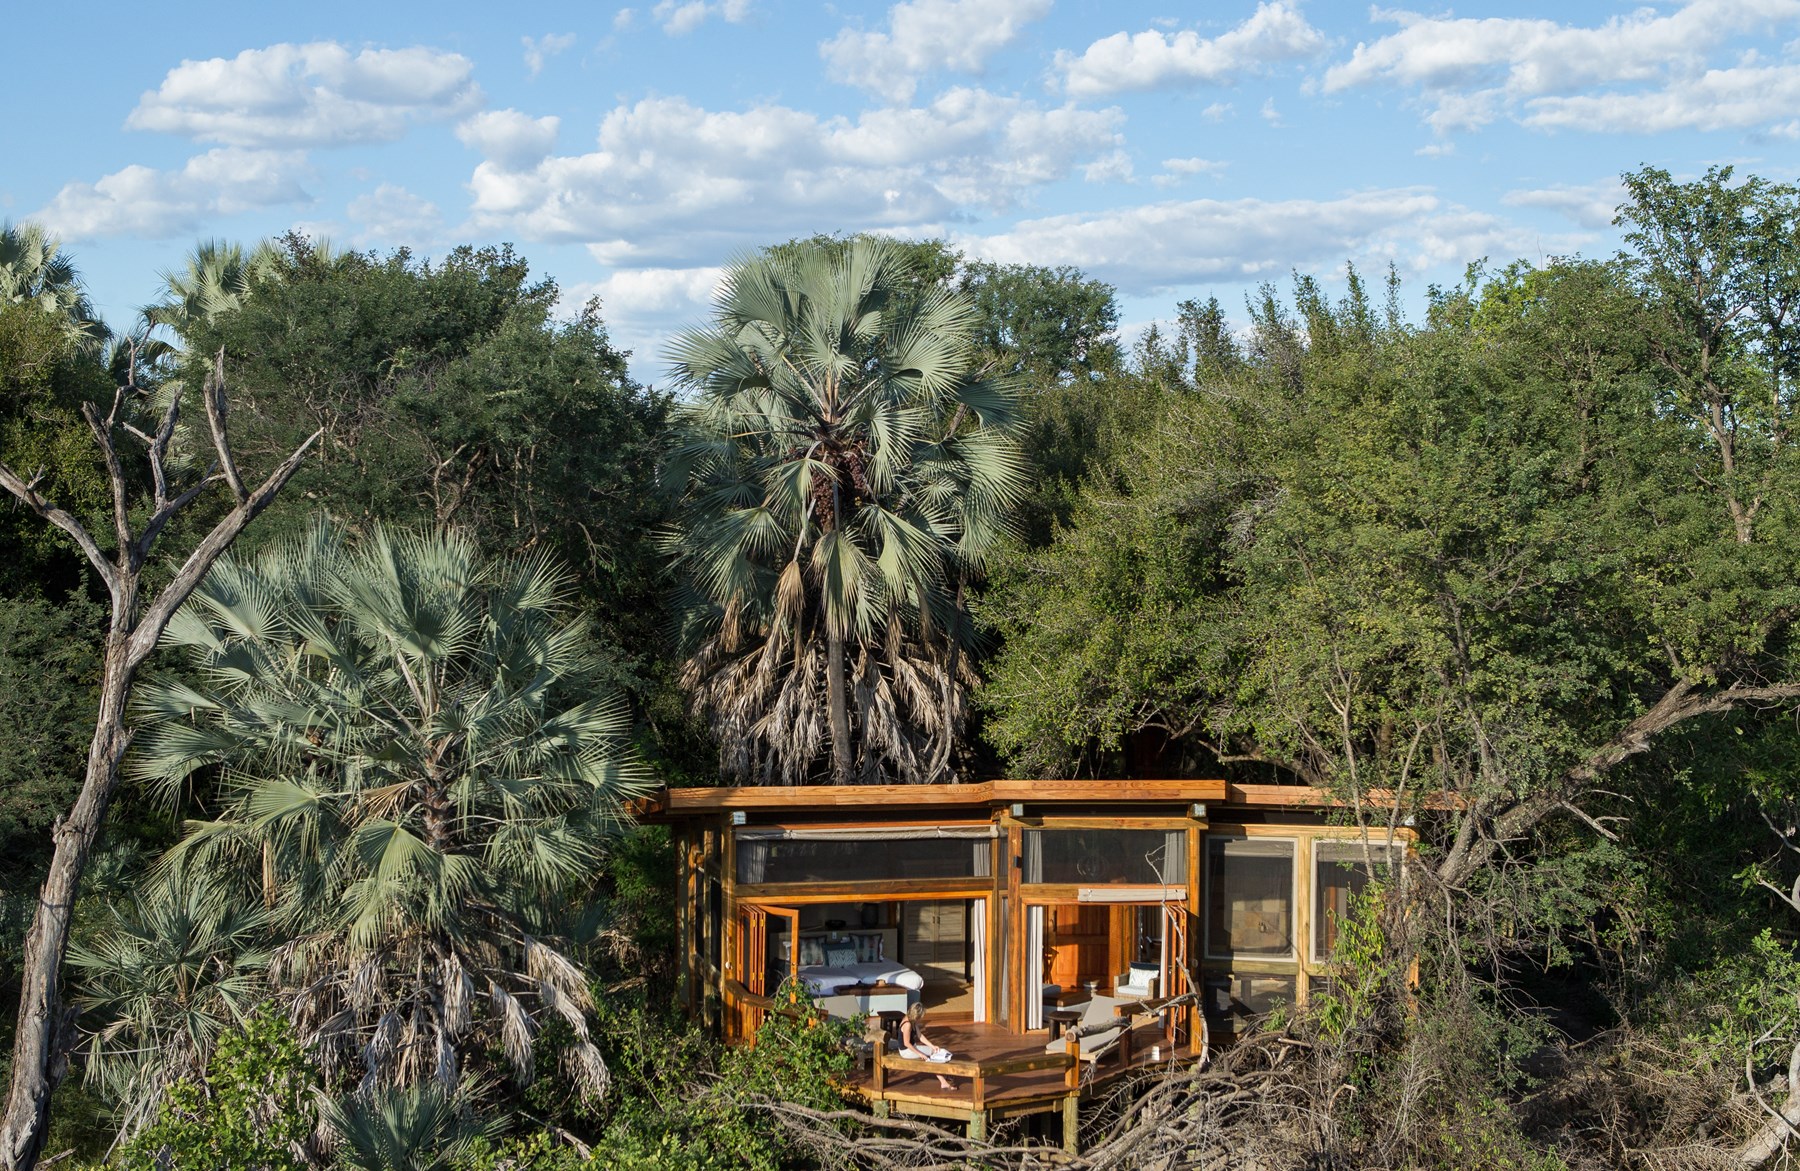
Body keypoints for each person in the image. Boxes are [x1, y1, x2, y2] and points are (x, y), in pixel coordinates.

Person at [899, 1003, 957, 1091]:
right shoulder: (907, 1024)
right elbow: (906, 1043)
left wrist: (932, 1046)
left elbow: (920, 1036)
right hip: (906, 1051)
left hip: (912, 1047)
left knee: (936, 1051)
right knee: (931, 1057)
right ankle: (944, 1082)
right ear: (916, 1015)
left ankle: (944, 1077)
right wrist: (920, 1054)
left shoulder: (912, 1021)